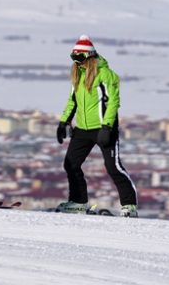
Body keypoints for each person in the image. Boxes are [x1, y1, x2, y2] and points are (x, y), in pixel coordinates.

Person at [56, 35, 138, 217]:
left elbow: (113, 103)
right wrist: (64, 122)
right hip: (82, 130)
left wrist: (107, 127)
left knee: (113, 167)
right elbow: (72, 102)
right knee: (71, 164)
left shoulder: (106, 75)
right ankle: (78, 202)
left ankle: (129, 206)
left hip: (103, 129)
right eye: (74, 59)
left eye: (81, 58)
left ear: (91, 56)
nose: (78, 63)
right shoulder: (77, 75)